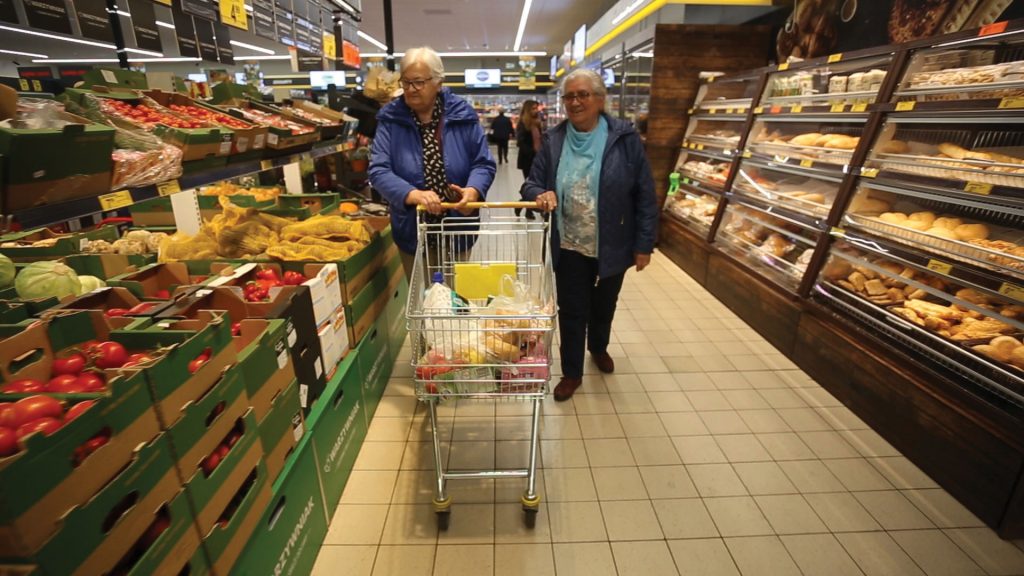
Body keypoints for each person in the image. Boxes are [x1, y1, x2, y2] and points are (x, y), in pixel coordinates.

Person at [522, 68, 658, 402]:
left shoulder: (624, 139)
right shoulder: (555, 140)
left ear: (600, 99)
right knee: (571, 309)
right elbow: (531, 182)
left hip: (613, 241)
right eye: (570, 96)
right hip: (569, 243)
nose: (575, 102)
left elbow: (645, 194)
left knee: (604, 304)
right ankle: (571, 373)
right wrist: (540, 193)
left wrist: (644, 243)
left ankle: (598, 347)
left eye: (583, 95)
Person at [368, 47, 497, 281]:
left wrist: (473, 191)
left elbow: (483, 163)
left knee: (455, 301)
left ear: (438, 83)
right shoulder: (390, 119)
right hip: (413, 229)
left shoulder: (463, 115)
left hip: (458, 227)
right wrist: (411, 193)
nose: (410, 89)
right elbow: (378, 170)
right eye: (405, 82)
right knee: (423, 304)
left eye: (418, 82)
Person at [515, 99, 542, 219]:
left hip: (539, 158)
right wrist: (532, 153)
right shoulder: (523, 123)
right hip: (527, 159)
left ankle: (522, 204)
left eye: (537, 108)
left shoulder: (538, 122)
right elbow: (520, 143)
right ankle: (527, 210)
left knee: (538, 184)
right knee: (529, 184)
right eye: (533, 108)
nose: (536, 111)